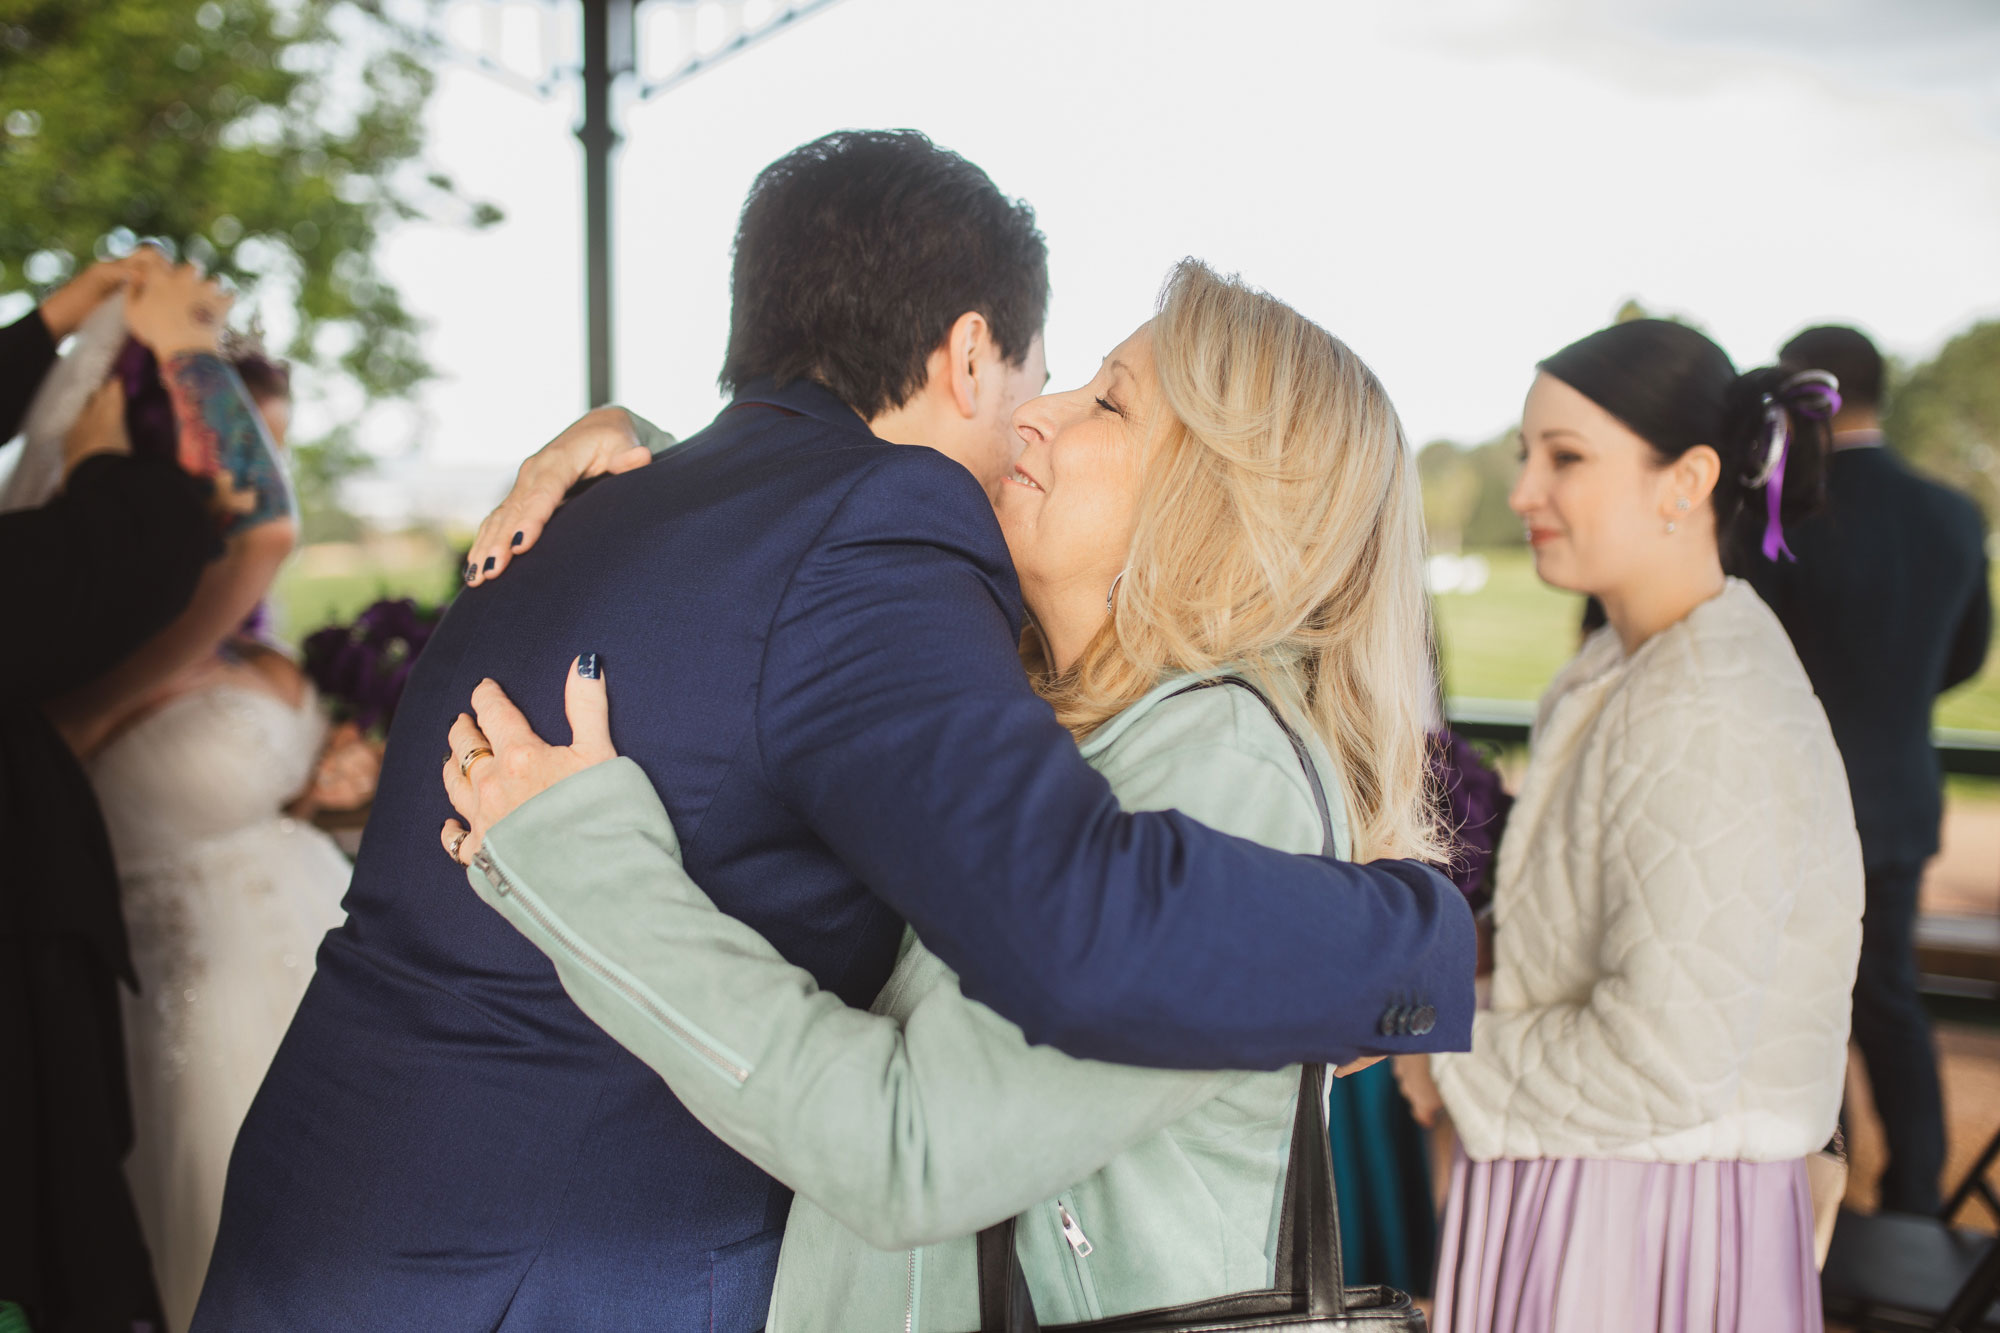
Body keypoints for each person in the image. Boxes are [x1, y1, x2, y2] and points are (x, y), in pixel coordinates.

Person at [195, 131, 1474, 1332]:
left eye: (1109, 404)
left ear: (1229, 500)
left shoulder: (1220, 758)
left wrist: (1424, 937)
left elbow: (918, 1139)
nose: (1038, 414)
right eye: (1060, 376)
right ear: (969, 352)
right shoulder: (969, 636)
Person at [1400, 319, 1865, 1331]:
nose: (1524, 491)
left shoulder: (1706, 701)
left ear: (1686, 480)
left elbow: (1665, 1060)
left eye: (1564, 458)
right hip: (1584, 1175)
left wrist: (1444, 1055)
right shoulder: (1627, 668)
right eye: (1528, 455)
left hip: (1640, 1216)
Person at [8, 307, 349, 1330]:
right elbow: (272, 523)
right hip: (199, 985)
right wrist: (188, 348)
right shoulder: (96, 639)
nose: (258, 466)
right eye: (249, 437)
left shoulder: (238, 633)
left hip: (312, 945)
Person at [1748, 324, 1989, 1215]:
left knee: (1801, 1010)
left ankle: (1826, 1205)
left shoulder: (1784, 513)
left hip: (1794, 808)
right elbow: (1963, 656)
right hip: (1898, 798)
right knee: (1889, 999)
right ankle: (1918, 1199)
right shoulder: (1954, 514)